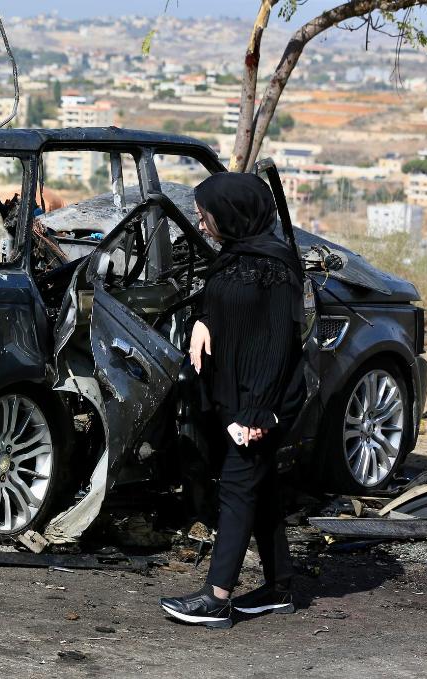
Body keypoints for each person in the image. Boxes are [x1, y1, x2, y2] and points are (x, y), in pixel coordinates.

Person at [159, 172, 306, 629]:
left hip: (260, 401)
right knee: (261, 489)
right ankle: (280, 586)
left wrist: (257, 412)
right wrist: (203, 321)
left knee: (238, 487)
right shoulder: (235, 257)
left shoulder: (277, 269)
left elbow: (277, 346)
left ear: (234, 214)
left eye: (206, 216)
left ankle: (217, 597)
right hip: (235, 395)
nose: (201, 224)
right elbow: (221, 303)